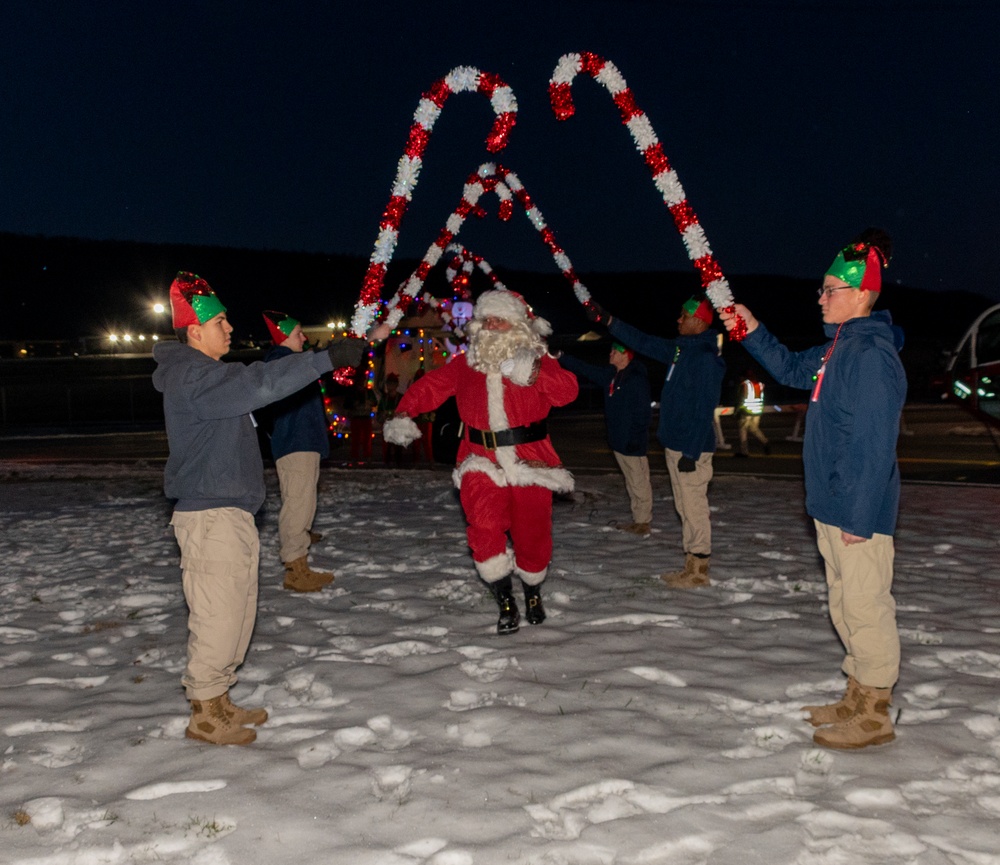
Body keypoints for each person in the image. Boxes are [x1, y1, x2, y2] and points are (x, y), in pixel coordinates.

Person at [152, 272, 386, 746]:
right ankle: (204, 713)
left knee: (237, 613)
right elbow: (259, 382)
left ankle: (218, 698)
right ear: (194, 330)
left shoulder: (208, 376)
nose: (229, 328)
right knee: (218, 615)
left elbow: (256, 389)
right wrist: (324, 359)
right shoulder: (194, 375)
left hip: (229, 512)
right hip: (211, 515)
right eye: (220, 322)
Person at [719, 228, 905, 750]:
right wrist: (752, 329)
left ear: (861, 294)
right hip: (831, 503)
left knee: (866, 608)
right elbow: (790, 367)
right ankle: (856, 694)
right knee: (845, 606)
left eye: (830, 290)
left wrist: (859, 516)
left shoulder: (870, 355)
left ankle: (875, 714)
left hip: (856, 511)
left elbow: (874, 444)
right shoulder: (837, 349)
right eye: (821, 290)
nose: (820, 298)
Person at [383, 289, 578, 634]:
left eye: (499, 320)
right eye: (486, 320)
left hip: (530, 461)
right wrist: (404, 412)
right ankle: (506, 602)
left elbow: (567, 392)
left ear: (516, 325)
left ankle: (532, 591)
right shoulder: (467, 364)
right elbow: (431, 386)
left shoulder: (537, 358)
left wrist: (533, 372)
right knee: (483, 528)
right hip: (479, 460)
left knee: (532, 536)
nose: (490, 326)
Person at [585, 295, 725, 587]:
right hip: (676, 444)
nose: (678, 320)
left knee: (694, 508)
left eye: (683, 316)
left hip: (691, 448)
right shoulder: (681, 351)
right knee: (684, 507)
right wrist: (610, 321)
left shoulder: (704, 358)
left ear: (698, 321)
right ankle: (691, 565)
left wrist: (691, 452)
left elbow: (704, 409)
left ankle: (699, 571)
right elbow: (644, 342)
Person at [261, 310, 334, 593]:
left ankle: (299, 538)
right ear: (283, 337)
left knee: (303, 500)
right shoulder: (283, 362)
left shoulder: (292, 362)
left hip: (304, 441)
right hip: (295, 442)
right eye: (298, 333)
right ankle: (295, 568)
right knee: (297, 502)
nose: (304, 337)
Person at [560, 342, 654, 535]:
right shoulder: (612, 376)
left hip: (632, 443)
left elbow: (643, 413)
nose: (610, 354)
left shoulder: (635, 379)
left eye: (614, 352)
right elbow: (586, 369)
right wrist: (562, 357)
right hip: (618, 441)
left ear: (625, 355)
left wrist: (635, 438)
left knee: (639, 482)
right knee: (631, 481)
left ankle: (643, 522)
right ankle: (639, 519)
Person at [734, 368, 771, 457]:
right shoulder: (760, 384)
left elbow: (741, 399)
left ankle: (744, 452)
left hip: (746, 411)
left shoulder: (745, 385)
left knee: (743, 430)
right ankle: (765, 441)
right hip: (757, 411)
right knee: (754, 429)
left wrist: (736, 411)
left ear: (743, 377)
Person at [377, 373, 406, 466]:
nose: (390, 386)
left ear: (396, 385)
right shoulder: (384, 398)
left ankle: (398, 463)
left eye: (392, 384)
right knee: (387, 446)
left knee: (398, 446)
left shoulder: (401, 398)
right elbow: (379, 411)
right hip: (387, 425)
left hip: (398, 426)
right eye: (388, 384)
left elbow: (406, 411)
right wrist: (383, 415)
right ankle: (387, 462)